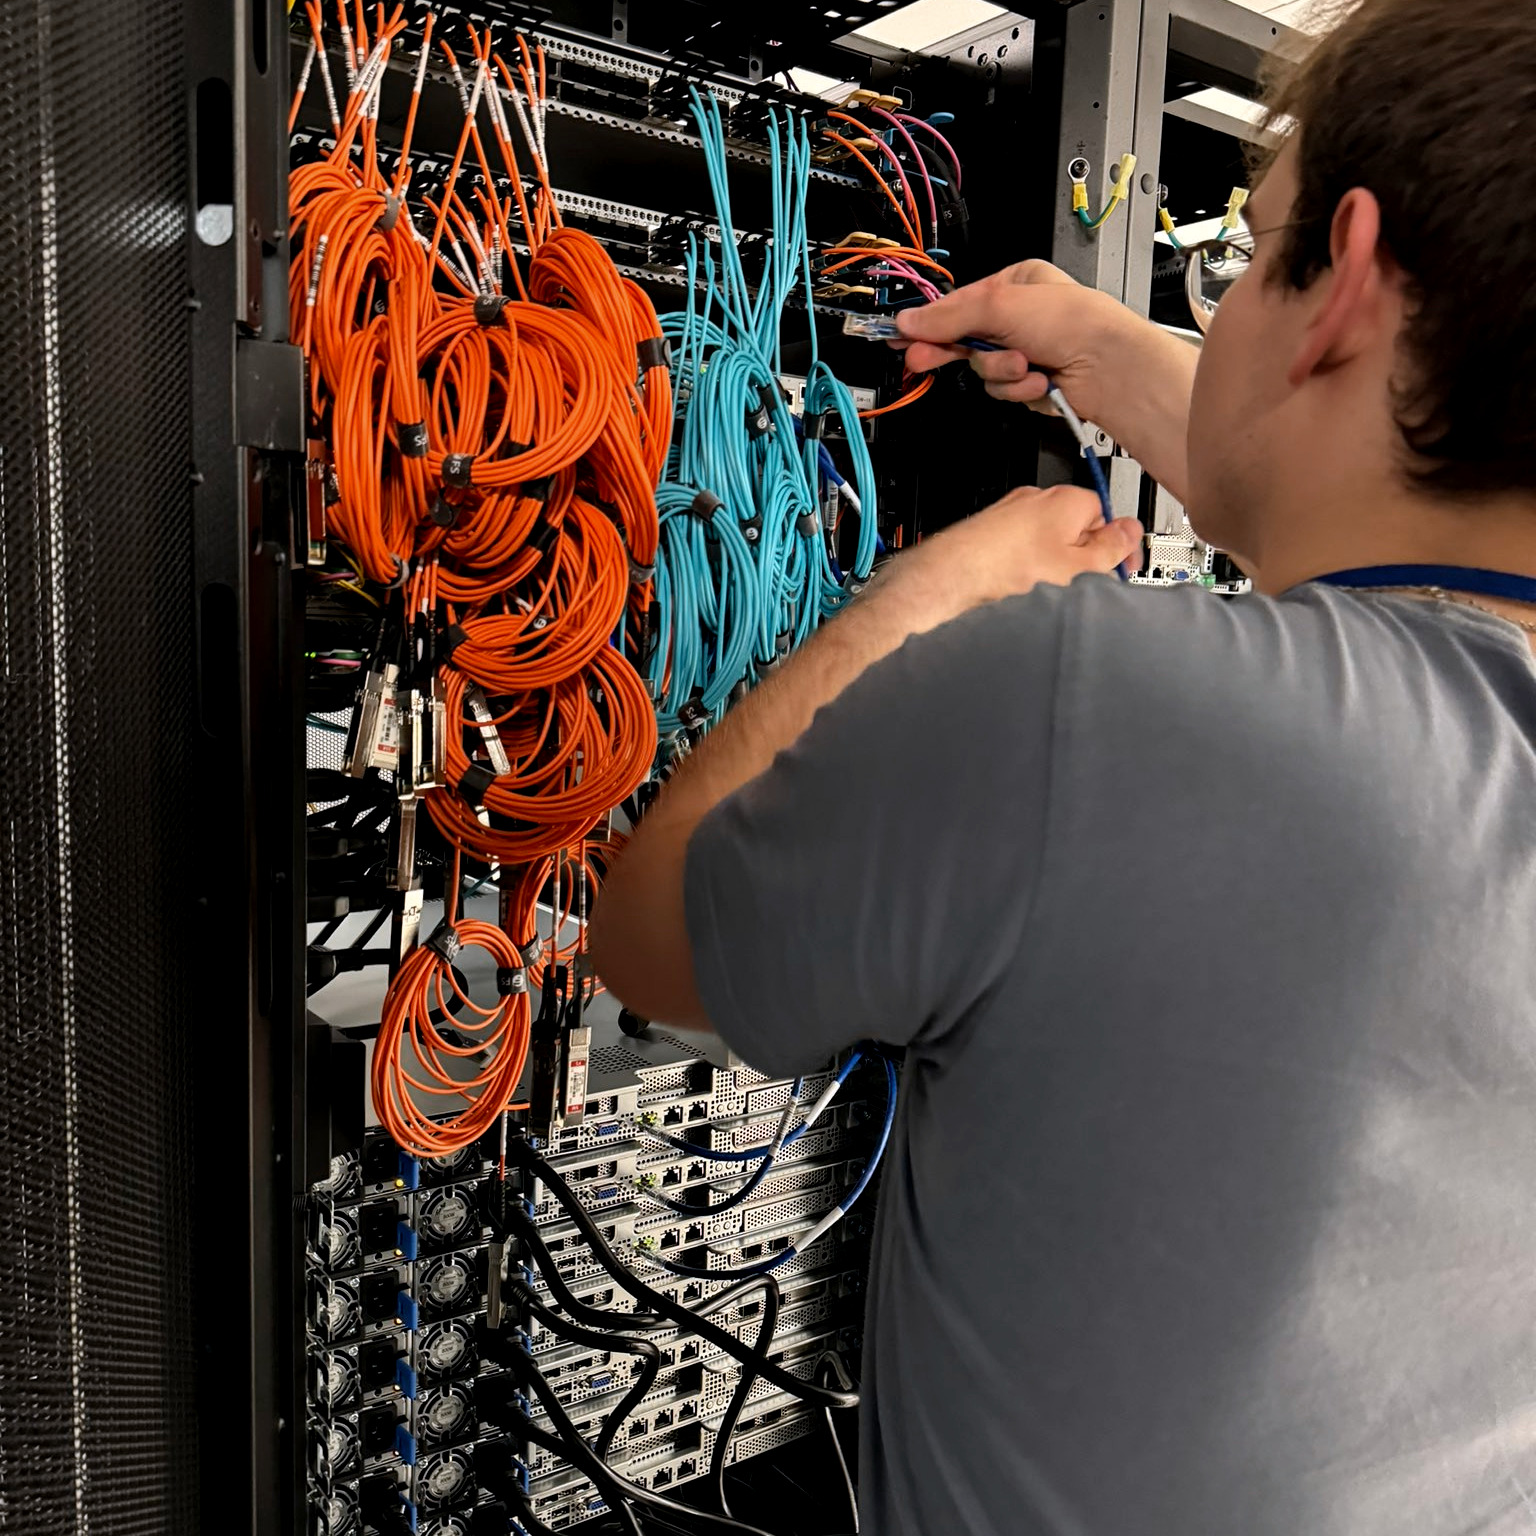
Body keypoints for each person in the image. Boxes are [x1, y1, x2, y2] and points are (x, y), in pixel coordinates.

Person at [590, 0, 1536, 1530]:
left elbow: (651, 940)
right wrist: (1100, 345)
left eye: (1242, 267)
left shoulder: (1083, 705)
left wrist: (918, 605)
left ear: (1345, 281)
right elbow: (1378, 526)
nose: (1200, 324)